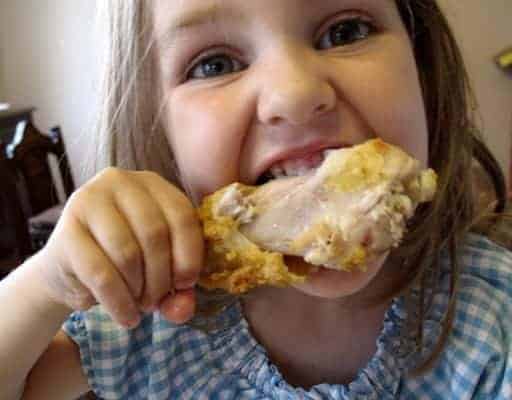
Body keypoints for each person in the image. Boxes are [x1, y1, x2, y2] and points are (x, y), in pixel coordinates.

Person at [1, 0, 511, 398]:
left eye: (346, 30)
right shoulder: (145, 322)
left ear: (421, 63)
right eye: (214, 63)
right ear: (160, 131)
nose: (293, 93)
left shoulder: (495, 319)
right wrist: (46, 285)